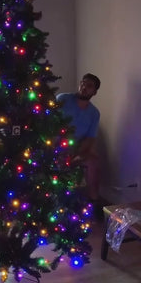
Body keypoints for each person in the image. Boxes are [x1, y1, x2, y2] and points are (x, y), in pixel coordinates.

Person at [57, 73, 101, 202]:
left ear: (94, 92)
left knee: (93, 162)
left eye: (89, 86)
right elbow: (51, 124)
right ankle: (60, 201)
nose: (84, 87)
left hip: (77, 149)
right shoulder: (62, 99)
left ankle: (94, 200)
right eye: (83, 83)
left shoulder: (94, 113)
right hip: (58, 146)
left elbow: (90, 138)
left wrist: (76, 153)